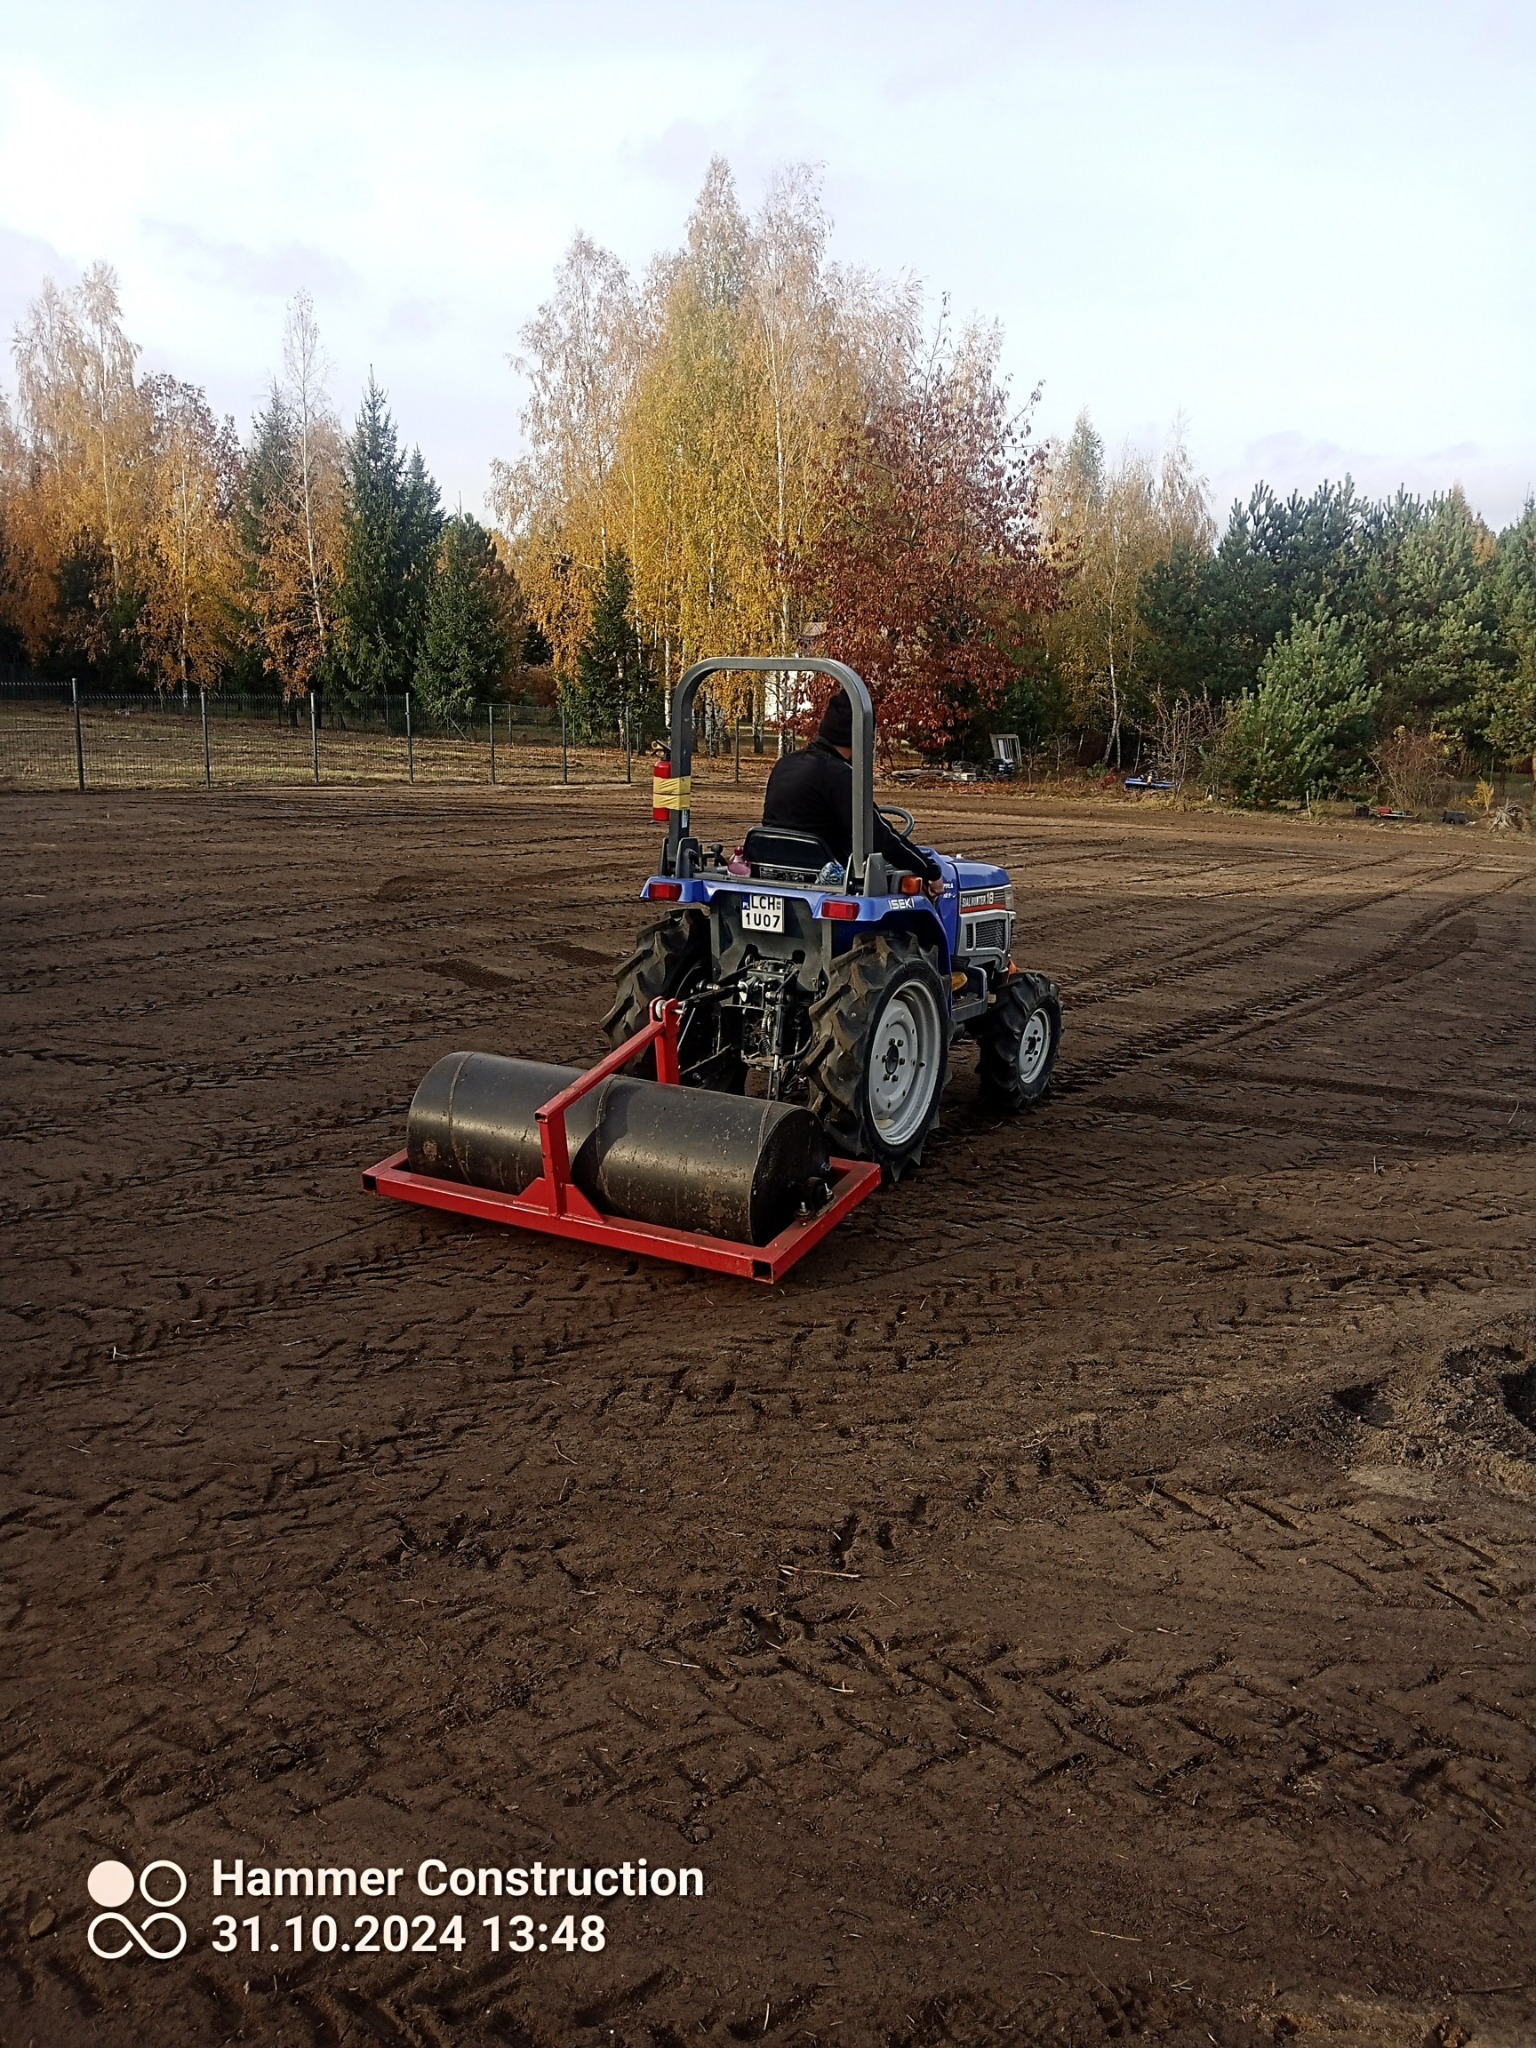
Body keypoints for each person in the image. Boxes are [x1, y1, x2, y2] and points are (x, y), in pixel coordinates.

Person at [761, 693, 942, 884]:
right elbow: (877, 836)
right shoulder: (839, 774)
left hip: (773, 868)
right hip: (823, 876)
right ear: (860, 735)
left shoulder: (785, 764)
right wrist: (929, 871)